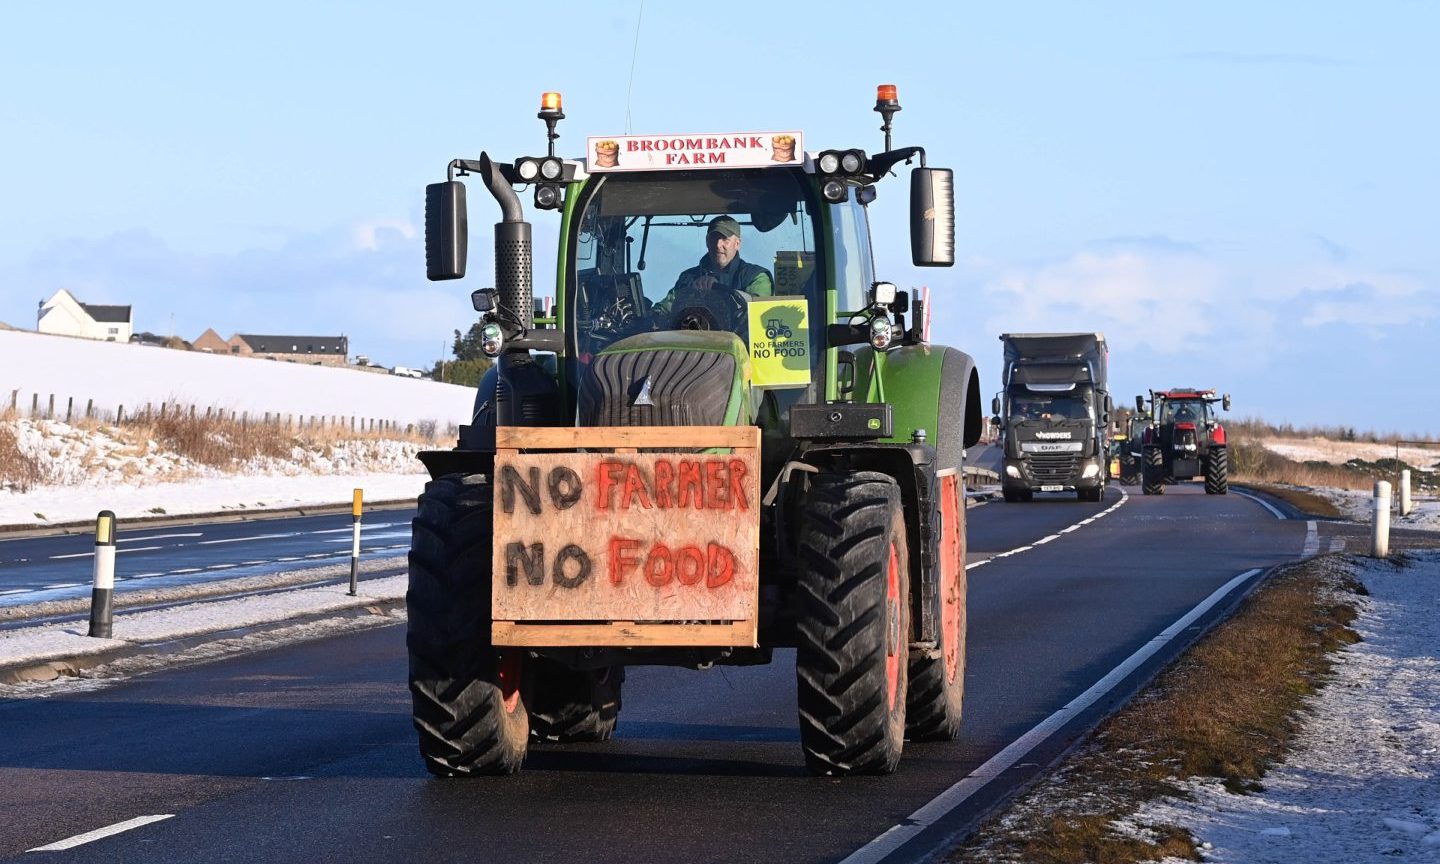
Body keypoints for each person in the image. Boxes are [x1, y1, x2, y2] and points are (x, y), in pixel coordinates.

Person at [654, 216, 773, 323]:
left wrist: (719, 290)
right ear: (707, 241)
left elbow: (758, 312)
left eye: (725, 239)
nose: (718, 245)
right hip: (689, 343)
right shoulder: (687, 278)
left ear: (737, 244)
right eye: (714, 238)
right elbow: (664, 309)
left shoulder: (756, 276)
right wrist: (652, 316)